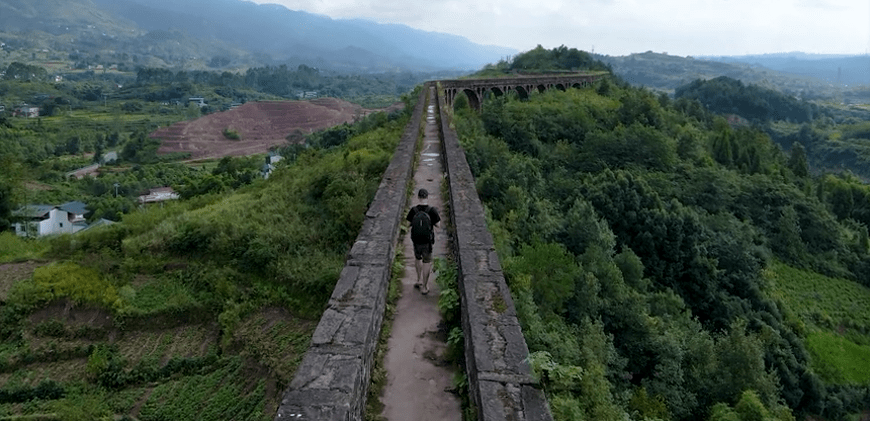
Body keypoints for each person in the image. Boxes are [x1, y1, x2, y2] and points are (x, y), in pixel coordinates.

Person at [406, 188, 441, 294]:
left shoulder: (413, 210)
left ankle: (418, 280)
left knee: (418, 258)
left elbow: (407, 224)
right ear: (427, 197)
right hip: (427, 241)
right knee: (427, 261)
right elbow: (438, 225)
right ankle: (425, 287)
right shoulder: (432, 210)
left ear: (418, 197)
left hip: (416, 241)